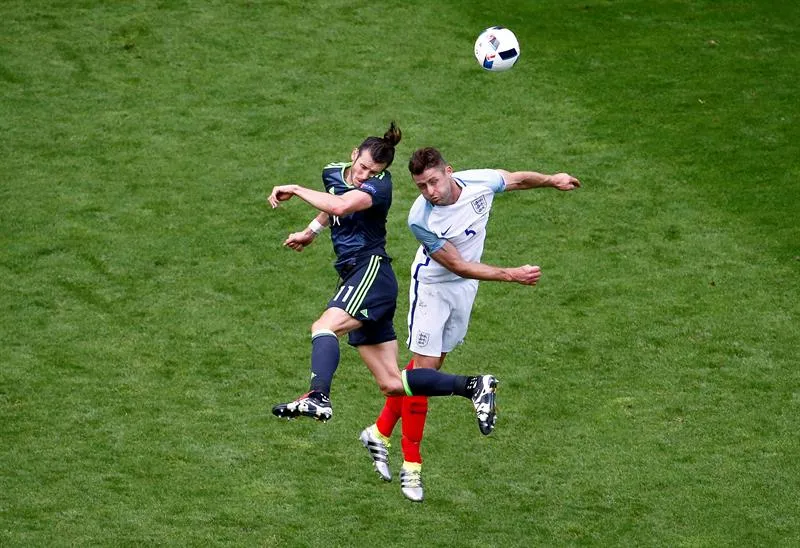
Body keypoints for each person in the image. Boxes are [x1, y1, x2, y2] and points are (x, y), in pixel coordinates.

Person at [359, 146, 581, 502]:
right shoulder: (422, 219)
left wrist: (551, 180)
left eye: (433, 181)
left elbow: (517, 179)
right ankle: (412, 466)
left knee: (425, 371)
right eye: (421, 186)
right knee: (425, 373)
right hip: (433, 288)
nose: (430, 191)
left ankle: (379, 432)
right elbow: (457, 265)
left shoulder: (479, 182)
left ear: (449, 171)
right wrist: (511, 275)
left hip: (466, 289)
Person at [268, 125, 499, 445]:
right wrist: (311, 231)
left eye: (374, 171)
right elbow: (331, 203)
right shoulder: (332, 172)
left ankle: (318, 396)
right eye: (362, 167)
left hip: (370, 272)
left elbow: (341, 205)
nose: (364, 175)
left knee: (324, 327)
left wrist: (294, 187)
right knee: (392, 383)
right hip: (354, 275)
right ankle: (474, 386)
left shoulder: (380, 187)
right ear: (353, 156)